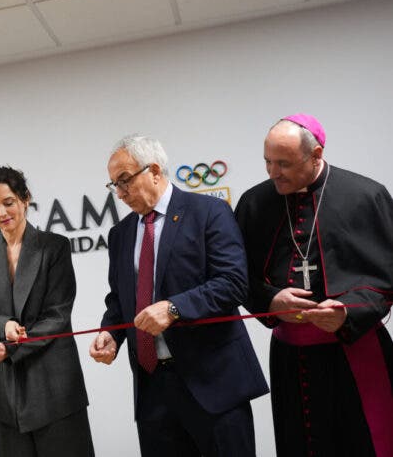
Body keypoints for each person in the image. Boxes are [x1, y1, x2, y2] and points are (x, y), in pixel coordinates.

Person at [89, 135, 268, 456]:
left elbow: (233, 283)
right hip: (153, 390)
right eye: (114, 184)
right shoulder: (120, 234)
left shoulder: (209, 212)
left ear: (155, 171)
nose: (119, 193)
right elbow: (119, 299)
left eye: (125, 180)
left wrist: (174, 308)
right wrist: (110, 333)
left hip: (213, 384)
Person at [235, 114, 393, 456]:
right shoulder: (254, 203)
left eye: (284, 163)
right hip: (291, 358)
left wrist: (347, 312)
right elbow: (237, 277)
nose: (273, 173)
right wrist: (270, 300)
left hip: (356, 349)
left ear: (316, 154)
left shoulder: (366, 196)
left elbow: (386, 277)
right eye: (267, 161)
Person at [0, 166, 95, 457]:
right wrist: (3, 326)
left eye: (8, 202)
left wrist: (11, 347)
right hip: (5, 392)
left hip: (54, 385)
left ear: (25, 199)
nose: (2, 212)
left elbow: (58, 315)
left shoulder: (54, 247)